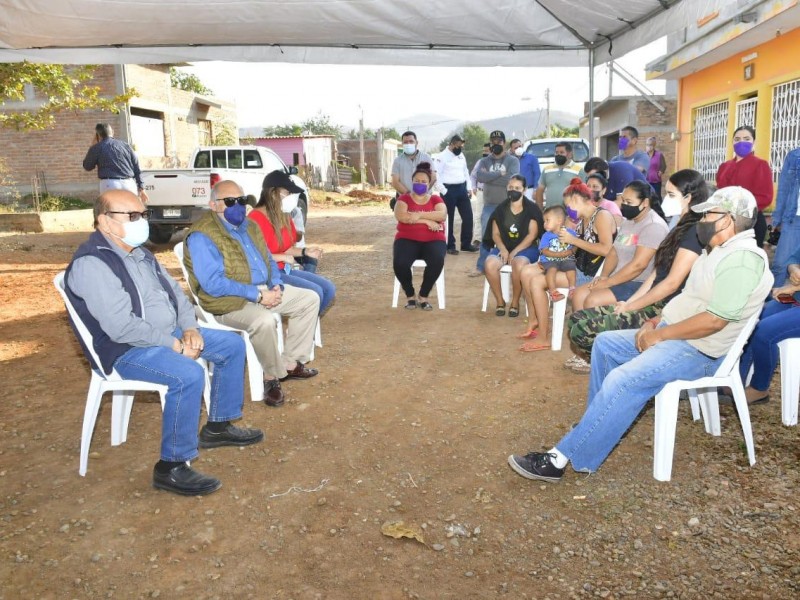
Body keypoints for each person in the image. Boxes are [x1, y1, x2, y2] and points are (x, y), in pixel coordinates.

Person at [508, 186, 773, 483]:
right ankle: (595, 425)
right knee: (605, 344)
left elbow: (713, 321)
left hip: (700, 350)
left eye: (709, 214)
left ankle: (558, 460)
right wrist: (658, 320)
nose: (703, 220)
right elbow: (694, 301)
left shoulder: (742, 260)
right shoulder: (722, 250)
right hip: (677, 334)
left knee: (625, 379)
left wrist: (661, 335)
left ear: (727, 220)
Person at [65, 189, 263, 496]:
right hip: (126, 350)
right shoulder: (93, 264)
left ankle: (218, 426)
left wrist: (189, 329)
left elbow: (176, 295)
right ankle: (171, 467)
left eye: (142, 215)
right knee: (187, 374)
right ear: (104, 222)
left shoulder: (141, 253)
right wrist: (175, 346)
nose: (140, 222)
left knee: (231, 346)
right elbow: (121, 327)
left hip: (167, 334)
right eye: (131, 217)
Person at [184, 180, 320, 409]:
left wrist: (276, 285)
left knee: (309, 299)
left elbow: (267, 259)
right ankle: (271, 377)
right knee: (264, 321)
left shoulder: (249, 226)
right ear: (213, 204)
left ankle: (289, 364)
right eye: (230, 201)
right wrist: (257, 296)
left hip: (262, 291)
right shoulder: (201, 236)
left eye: (242, 200)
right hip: (226, 302)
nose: (237, 205)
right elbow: (213, 284)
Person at [566, 170, 709, 374]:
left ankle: (624, 366)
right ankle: (609, 362)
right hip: (647, 292)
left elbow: (667, 282)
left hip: (665, 305)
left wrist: (631, 305)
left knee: (583, 327)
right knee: (576, 320)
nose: (665, 199)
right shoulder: (677, 225)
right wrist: (611, 285)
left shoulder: (689, 231)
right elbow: (656, 274)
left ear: (689, 198)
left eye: (671, 194)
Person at [518, 178, 616, 348]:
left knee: (536, 281)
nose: (568, 211)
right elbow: (574, 249)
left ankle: (543, 336)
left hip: (589, 275)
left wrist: (573, 241)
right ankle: (535, 321)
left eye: (568, 205)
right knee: (527, 272)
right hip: (576, 266)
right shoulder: (583, 220)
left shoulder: (602, 216)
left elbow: (606, 250)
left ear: (576, 200)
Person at [571, 180, 669, 312]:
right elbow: (613, 252)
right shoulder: (629, 221)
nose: (624, 205)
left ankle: (597, 331)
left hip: (639, 283)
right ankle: (582, 332)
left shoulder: (653, 226)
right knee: (579, 294)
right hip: (618, 278)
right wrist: (604, 276)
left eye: (629, 202)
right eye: (623, 201)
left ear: (645, 203)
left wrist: (608, 283)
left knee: (592, 300)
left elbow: (638, 266)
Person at [248, 170, 336, 314]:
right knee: (316, 292)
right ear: (272, 193)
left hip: (284, 270)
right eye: (287, 192)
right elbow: (256, 256)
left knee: (328, 289)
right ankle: (304, 326)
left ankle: (305, 325)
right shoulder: (254, 220)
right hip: (269, 274)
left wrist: (305, 251)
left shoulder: (283, 216)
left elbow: (286, 248)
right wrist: (282, 257)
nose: (289, 196)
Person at [738, 246, 800, 406]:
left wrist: (794, 287)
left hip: (795, 295)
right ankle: (737, 380)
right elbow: (793, 258)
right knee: (753, 317)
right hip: (795, 299)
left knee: (764, 331)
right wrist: (794, 270)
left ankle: (759, 388)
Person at [483, 174, 543, 317]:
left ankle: (515, 301)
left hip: (527, 248)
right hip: (504, 246)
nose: (513, 190)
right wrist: (503, 249)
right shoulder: (500, 209)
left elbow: (532, 235)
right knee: (489, 264)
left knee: (518, 263)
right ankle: (500, 301)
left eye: (517, 188)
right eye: (510, 187)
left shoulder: (532, 209)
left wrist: (515, 251)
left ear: (524, 189)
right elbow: (495, 234)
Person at [393, 162, 447, 310]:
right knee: (400, 263)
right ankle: (410, 296)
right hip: (407, 238)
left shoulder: (436, 199)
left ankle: (423, 296)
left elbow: (442, 214)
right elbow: (402, 216)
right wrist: (427, 221)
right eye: (417, 181)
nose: (420, 184)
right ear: (412, 181)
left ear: (429, 184)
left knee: (437, 260)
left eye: (424, 182)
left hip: (434, 239)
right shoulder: (404, 199)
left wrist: (418, 215)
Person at [715, 125, 773, 247]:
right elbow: (719, 192)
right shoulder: (724, 166)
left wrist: (739, 207)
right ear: (732, 143)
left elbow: (765, 196)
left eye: (747, 139)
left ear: (754, 143)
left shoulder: (760, 165)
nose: (741, 142)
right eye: (737, 139)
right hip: (724, 220)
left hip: (750, 221)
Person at [472, 131, 520, 276]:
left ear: (504, 143)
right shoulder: (484, 161)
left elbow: (511, 181)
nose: (496, 144)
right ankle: (481, 267)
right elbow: (480, 177)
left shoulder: (512, 160)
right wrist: (500, 174)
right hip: (489, 205)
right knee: (486, 237)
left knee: (510, 235)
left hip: (508, 205)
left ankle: (510, 264)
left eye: (499, 141)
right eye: (493, 141)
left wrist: (489, 177)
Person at [82, 123, 149, 203]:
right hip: (129, 183)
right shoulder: (126, 146)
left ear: (98, 135)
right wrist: (141, 187)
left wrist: (92, 147)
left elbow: (87, 166)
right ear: (112, 132)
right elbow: (136, 167)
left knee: (111, 213)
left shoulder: (97, 148)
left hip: (110, 184)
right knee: (132, 213)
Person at [436, 135, 478, 255]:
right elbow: (437, 176)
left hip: (461, 189)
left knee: (468, 216)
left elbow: (465, 172)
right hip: (448, 190)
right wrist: (444, 191)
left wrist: (469, 188)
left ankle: (466, 244)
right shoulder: (441, 157)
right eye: (458, 146)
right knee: (448, 219)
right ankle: (449, 245)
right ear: (452, 144)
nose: (460, 148)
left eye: (461, 146)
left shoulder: (461, 155)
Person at [767, 147, 800, 286]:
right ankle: (776, 301)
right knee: (780, 264)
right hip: (794, 218)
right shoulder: (794, 156)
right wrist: (777, 218)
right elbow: (784, 189)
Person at [538, 204, 577, 301]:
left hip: (565, 259)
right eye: (544, 221)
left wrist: (572, 251)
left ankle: (572, 288)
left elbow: (577, 244)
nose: (544, 224)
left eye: (547, 220)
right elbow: (545, 251)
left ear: (559, 221)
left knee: (571, 268)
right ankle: (553, 291)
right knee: (551, 269)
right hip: (550, 259)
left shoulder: (570, 233)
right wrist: (558, 254)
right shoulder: (546, 236)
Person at [391, 130, 434, 210]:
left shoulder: (426, 157)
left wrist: (423, 194)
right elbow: (395, 182)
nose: (408, 144)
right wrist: (410, 195)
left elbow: (433, 178)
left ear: (416, 142)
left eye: (411, 141)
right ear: (402, 144)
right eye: (405, 142)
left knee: (425, 220)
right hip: (405, 201)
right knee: (407, 221)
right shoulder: (397, 161)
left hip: (425, 200)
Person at [535, 142, 581, 210]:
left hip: (570, 215)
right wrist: (540, 210)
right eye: (556, 152)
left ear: (570, 154)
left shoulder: (579, 170)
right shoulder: (547, 169)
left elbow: (584, 194)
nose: (558, 155)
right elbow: (539, 190)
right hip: (550, 214)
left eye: (562, 152)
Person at [469, 143, 492, 246]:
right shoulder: (480, 162)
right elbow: (473, 175)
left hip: (494, 193)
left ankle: (494, 239)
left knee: (494, 216)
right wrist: (473, 187)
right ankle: (478, 239)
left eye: (487, 151)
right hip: (481, 192)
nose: (485, 153)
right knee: (478, 215)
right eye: (484, 151)